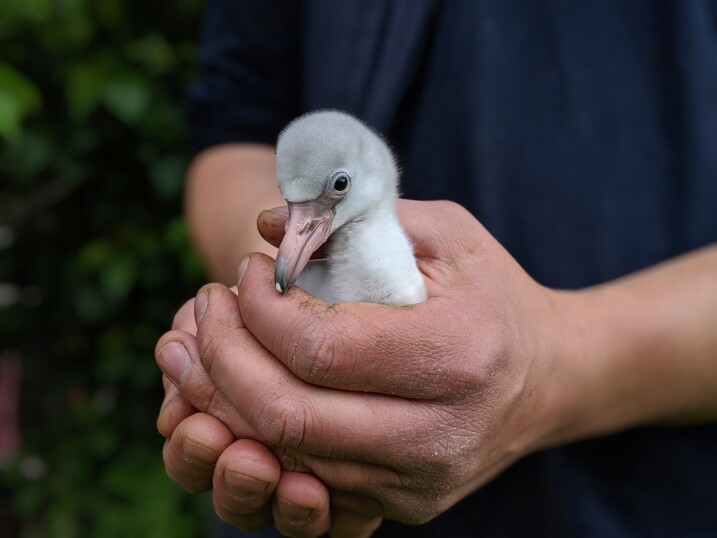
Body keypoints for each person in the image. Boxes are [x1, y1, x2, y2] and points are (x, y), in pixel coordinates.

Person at [156, 1, 717, 537]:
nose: (293, 243)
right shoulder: (327, 229)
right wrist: (259, 350)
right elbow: (236, 122)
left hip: (644, 503)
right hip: (302, 510)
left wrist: (554, 363)